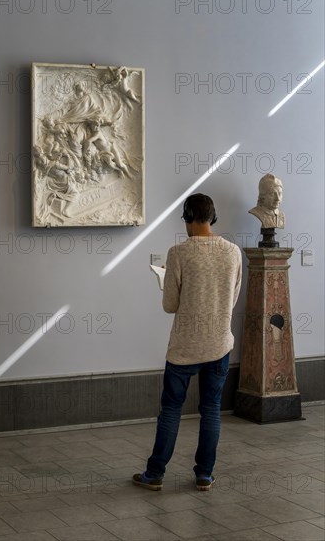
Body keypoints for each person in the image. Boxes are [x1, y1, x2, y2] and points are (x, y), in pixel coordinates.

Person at [133, 193, 242, 491]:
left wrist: (167, 283)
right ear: (213, 217)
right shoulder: (233, 252)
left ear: (190, 216)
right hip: (219, 343)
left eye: (185, 218)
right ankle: (204, 475)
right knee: (211, 408)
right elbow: (231, 300)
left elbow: (170, 305)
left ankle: (154, 474)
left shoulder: (179, 253)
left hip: (185, 347)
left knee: (171, 409)